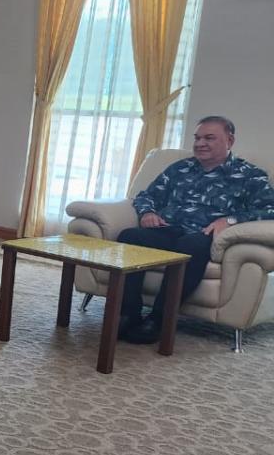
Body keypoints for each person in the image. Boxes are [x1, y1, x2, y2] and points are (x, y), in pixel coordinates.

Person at [116, 115, 274, 344]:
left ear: (229, 140)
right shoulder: (180, 168)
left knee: (189, 246)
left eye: (209, 138)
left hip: (204, 235)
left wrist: (230, 220)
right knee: (130, 236)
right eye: (197, 138)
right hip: (168, 228)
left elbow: (269, 209)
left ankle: (159, 320)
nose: (200, 143)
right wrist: (147, 213)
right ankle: (128, 313)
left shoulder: (250, 175)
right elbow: (145, 196)